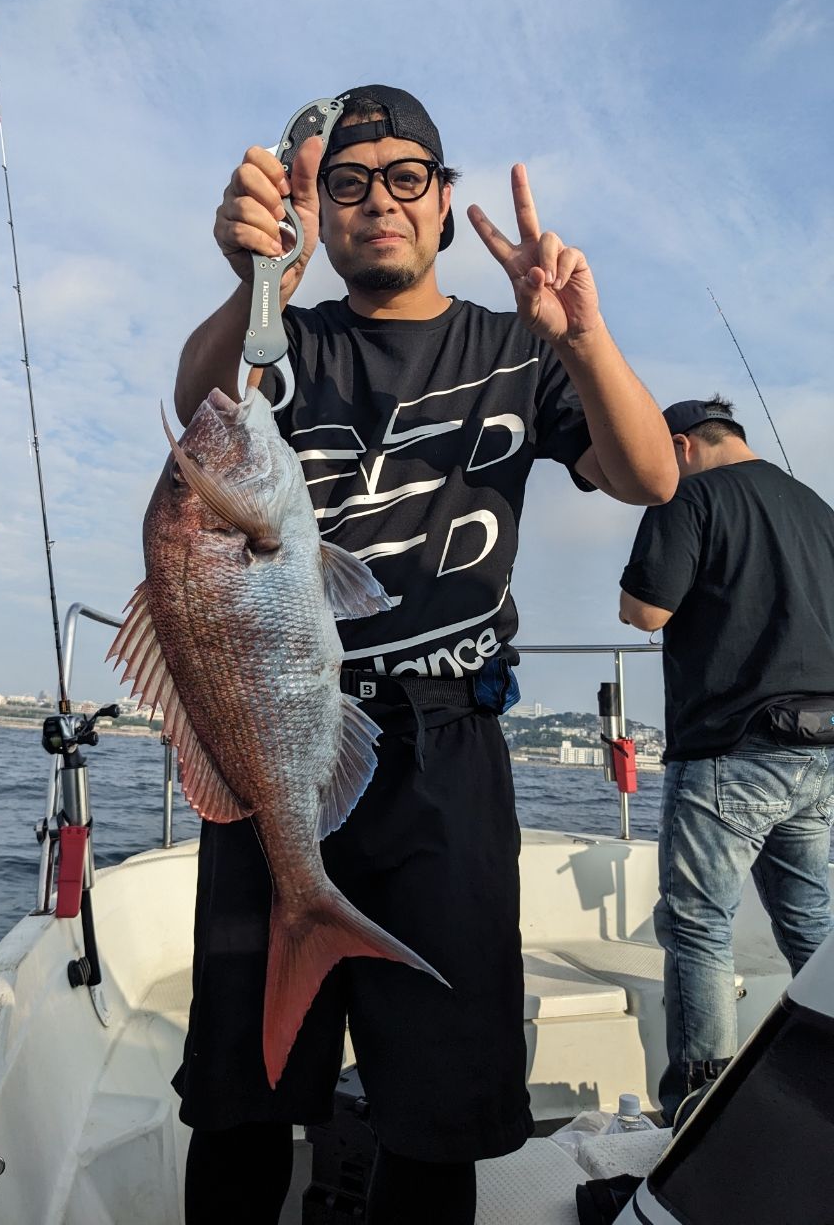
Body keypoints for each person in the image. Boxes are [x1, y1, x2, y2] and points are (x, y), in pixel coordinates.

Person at [172, 84, 677, 1224]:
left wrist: (584, 339)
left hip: (446, 756)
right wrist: (255, 277)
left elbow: (650, 475)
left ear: (446, 203)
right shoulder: (283, 341)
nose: (378, 202)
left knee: (436, 1115)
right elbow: (197, 402)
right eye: (347, 184)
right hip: (281, 732)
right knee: (241, 1105)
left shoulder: (518, 348)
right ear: (323, 213)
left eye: (407, 178)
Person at [619, 396, 834, 1126]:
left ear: (680, 446)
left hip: (730, 747)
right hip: (821, 749)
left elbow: (644, 611)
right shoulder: (815, 505)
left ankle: (699, 1109)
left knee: (698, 923)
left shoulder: (688, 494)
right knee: (811, 925)